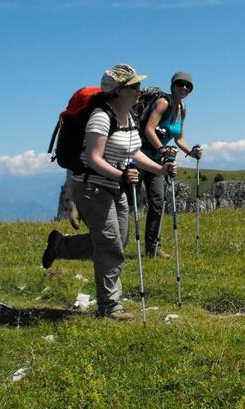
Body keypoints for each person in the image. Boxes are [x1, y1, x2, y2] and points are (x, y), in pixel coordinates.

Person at [42, 64, 177, 321]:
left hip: (116, 186)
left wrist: (160, 170)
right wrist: (122, 175)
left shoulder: (129, 115)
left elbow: (133, 152)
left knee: (118, 240)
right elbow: (93, 158)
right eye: (134, 86)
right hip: (92, 186)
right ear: (118, 91)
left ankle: (60, 245)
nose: (140, 90)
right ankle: (110, 306)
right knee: (111, 245)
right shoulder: (101, 117)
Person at [141, 71, 202, 258]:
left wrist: (190, 152)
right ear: (172, 85)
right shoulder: (163, 103)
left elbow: (179, 137)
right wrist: (162, 149)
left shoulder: (182, 109)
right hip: (140, 155)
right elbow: (149, 129)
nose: (183, 88)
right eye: (180, 84)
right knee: (127, 200)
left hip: (157, 159)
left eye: (187, 85)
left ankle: (153, 248)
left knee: (158, 201)